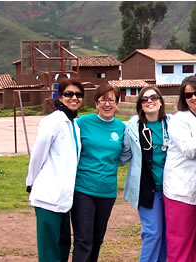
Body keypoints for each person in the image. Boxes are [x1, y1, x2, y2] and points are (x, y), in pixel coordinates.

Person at [25, 78, 84, 262]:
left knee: (63, 245)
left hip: (64, 198)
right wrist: (31, 181)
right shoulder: (52, 121)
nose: (74, 98)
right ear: (60, 96)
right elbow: (37, 154)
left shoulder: (74, 124)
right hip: (48, 196)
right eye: (69, 94)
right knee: (50, 250)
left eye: (78, 95)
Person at [163, 76, 196, 262]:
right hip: (181, 190)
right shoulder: (179, 120)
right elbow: (190, 150)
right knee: (180, 243)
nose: (194, 97)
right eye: (188, 95)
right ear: (183, 98)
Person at [71, 84, 126, 262]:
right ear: (96, 103)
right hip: (83, 189)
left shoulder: (121, 128)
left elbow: (124, 154)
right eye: (103, 100)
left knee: (97, 239)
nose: (107, 104)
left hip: (107, 191)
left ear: (117, 103)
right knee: (83, 238)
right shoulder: (82, 122)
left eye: (111, 100)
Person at [120, 86, 170, 262]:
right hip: (146, 188)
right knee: (153, 232)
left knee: (167, 233)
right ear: (140, 105)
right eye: (144, 99)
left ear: (161, 101)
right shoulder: (133, 126)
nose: (150, 101)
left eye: (154, 97)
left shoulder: (172, 123)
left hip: (171, 189)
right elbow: (124, 153)